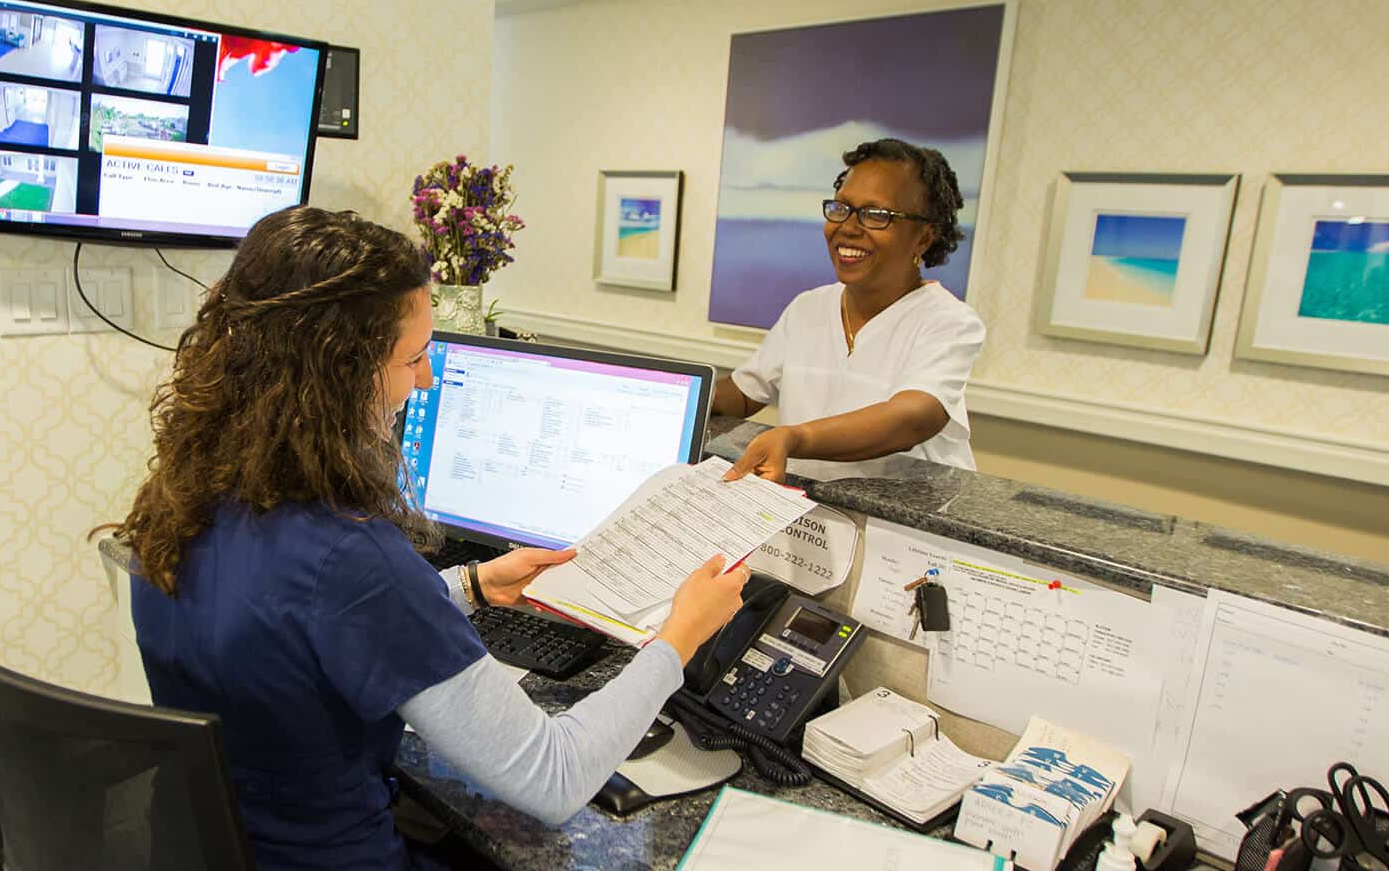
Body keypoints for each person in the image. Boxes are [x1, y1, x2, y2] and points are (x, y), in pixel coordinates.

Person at [105, 207, 750, 870]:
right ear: (335, 373)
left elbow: (290, 624)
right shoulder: (351, 557)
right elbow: (554, 778)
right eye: (412, 359)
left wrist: (470, 584)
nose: (427, 381)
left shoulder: (183, 496)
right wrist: (679, 636)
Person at [713, 138, 986, 481]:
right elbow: (744, 393)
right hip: (813, 516)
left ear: (923, 238)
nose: (848, 227)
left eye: (876, 215)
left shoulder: (949, 322)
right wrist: (683, 391)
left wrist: (796, 437)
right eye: (842, 208)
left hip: (902, 524)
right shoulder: (808, 308)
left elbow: (910, 418)